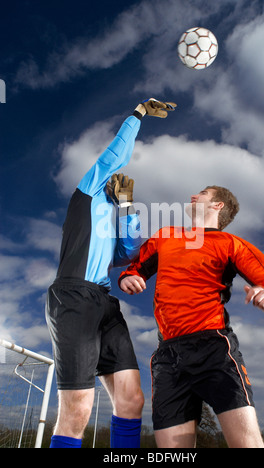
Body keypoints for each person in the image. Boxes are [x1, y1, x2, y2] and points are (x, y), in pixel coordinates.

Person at [119, 186, 264, 448]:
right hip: (167, 357)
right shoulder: (166, 236)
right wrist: (129, 278)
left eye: (202, 193)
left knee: (246, 444)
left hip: (213, 348)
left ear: (218, 206)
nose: (193, 196)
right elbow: (134, 269)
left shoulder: (230, 244)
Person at [45, 98, 176, 449]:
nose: (114, 177)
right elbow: (114, 156)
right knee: (78, 410)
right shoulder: (86, 194)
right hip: (73, 296)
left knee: (132, 401)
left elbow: (126, 253)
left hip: (104, 302)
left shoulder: (111, 210)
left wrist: (128, 208)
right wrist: (139, 114)